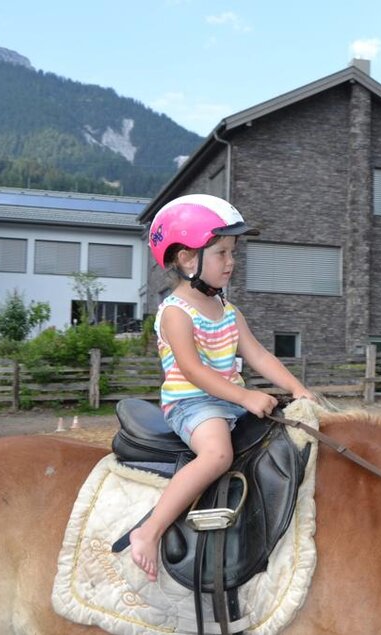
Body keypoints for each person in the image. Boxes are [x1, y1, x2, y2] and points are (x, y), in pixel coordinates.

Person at [128, 194, 316, 582]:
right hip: (193, 404)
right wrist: (246, 396)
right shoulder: (176, 313)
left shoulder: (228, 311)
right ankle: (148, 531)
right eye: (222, 253)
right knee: (216, 455)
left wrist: (299, 389)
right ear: (185, 258)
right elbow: (194, 371)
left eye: (233, 252)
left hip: (229, 402)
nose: (232, 262)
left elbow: (259, 355)